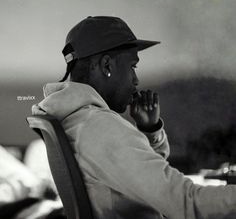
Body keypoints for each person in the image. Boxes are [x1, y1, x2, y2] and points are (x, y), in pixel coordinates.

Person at [32, 16, 236, 219]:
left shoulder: (76, 120)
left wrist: (150, 129)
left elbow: (140, 178)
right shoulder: (101, 127)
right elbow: (188, 203)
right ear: (107, 66)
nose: (136, 80)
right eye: (132, 66)